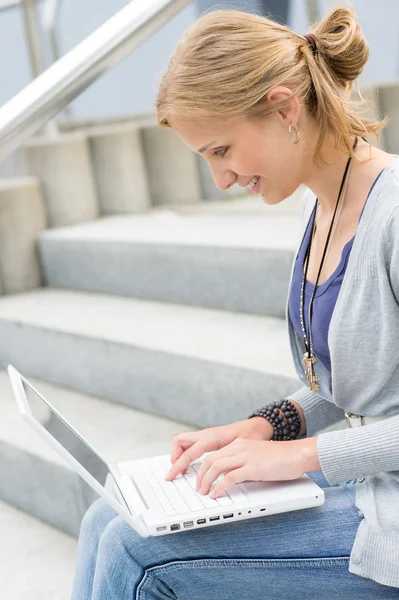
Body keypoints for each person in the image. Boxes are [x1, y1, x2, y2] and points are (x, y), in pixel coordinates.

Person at [72, 7, 399, 598]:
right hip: (370, 482)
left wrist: (299, 455)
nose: (220, 178)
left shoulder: (394, 215)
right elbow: (350, 389)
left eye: (222, 150)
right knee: (107, 518)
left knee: (136, 552)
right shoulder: (318, 207)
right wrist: (262, 427)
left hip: (390, 519)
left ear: (283, 109)